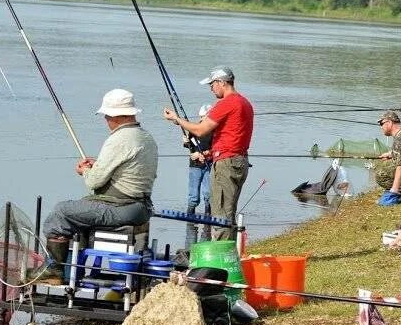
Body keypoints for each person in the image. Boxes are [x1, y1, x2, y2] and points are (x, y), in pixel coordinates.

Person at [40, 89, 158, 284]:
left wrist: (85, 171)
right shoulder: (146, 137)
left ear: (116, 116)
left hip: (121, 208)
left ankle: (54, 271)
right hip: (140, 207)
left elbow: (94, 182)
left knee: (60, 212)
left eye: (107, 115)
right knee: (76, 211)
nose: (105, 120)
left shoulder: (118, 139)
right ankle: (72, 269)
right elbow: (127, 171)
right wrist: (97, 165)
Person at [164, 66, 254, 240]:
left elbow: (200, 130)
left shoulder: (227, 103)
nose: (211, 88)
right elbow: (232, 136)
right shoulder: (245, 103)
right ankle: (229, 254)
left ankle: (219, 260)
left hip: (227, 164)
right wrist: (209, 152)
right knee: (229, 211)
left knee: (220, 214)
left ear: (221, 82)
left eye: (212, 84)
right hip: (240, 160)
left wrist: (176, 119)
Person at [187, 104, 213, 216]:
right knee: (194, 194)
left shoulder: (214, 131)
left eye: (204, 117)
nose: (201, 119)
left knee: (208, 192)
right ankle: (190, 213)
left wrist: (206, 154)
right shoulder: (194, 129)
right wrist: (194, 152)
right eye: (200, 117)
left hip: (209, 164)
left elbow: (216, 147)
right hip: (195, 165)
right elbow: (191, 144)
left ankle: (208, 213)